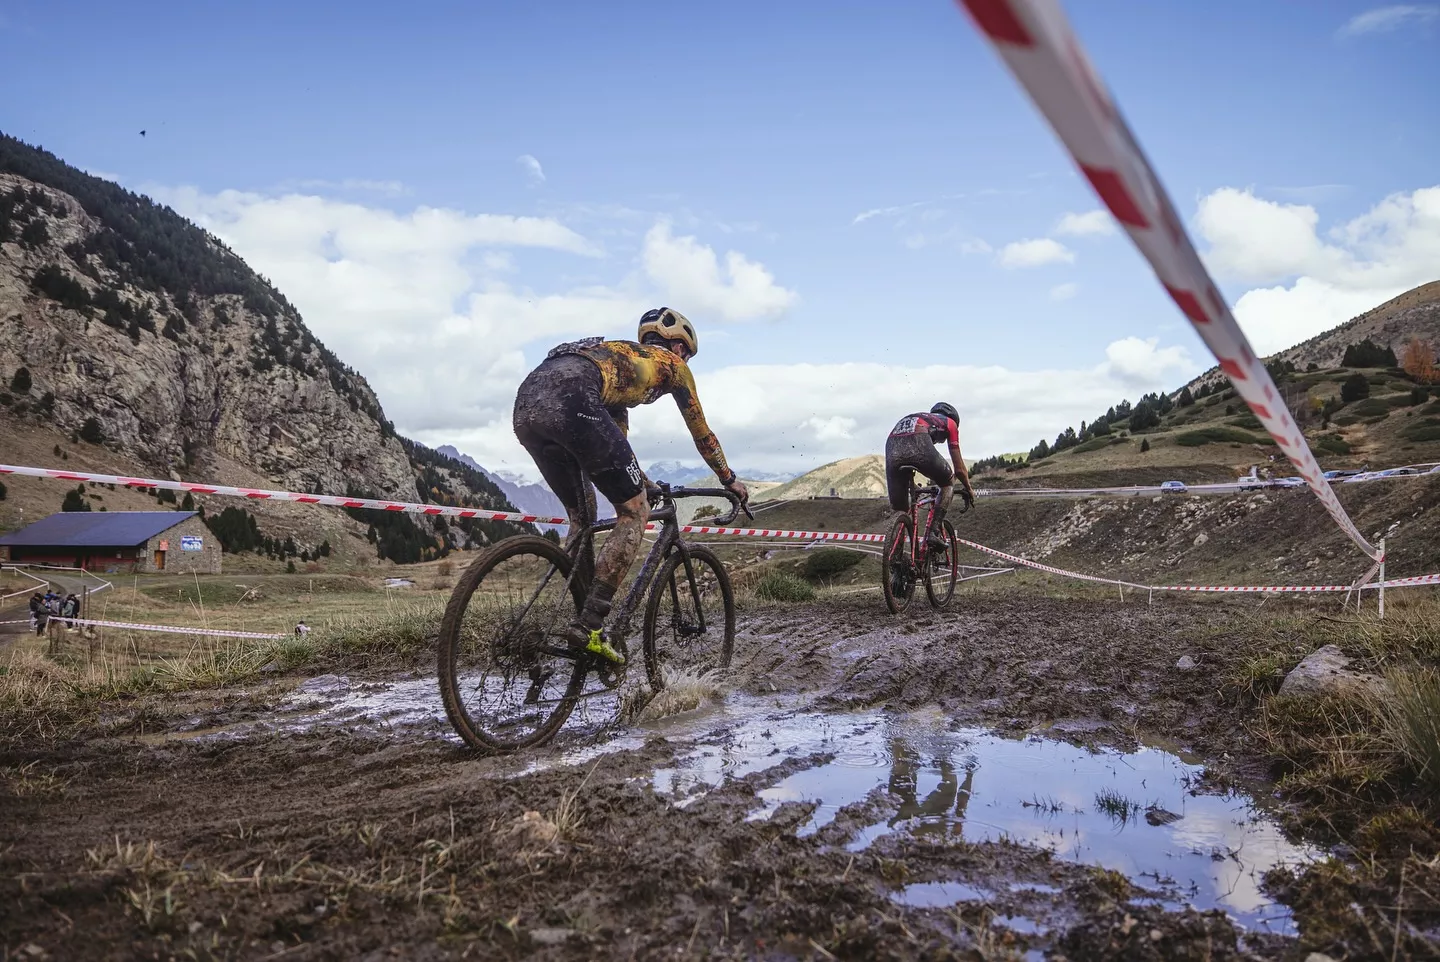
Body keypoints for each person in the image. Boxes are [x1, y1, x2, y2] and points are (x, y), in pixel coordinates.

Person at [513, 307, 748, 663]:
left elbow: (612, 448)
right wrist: (729, 479)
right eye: (688, 354)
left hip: (530, 401)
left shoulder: (619, 361)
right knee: (635, 511)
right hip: (576, 397)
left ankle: (577, 616)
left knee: (582, 516)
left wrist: (643, 480)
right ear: (680, 347)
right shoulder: (673, 366)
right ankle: (590, 625)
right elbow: (703, 435)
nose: (686, 361)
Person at [884, 402, 975, 554]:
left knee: (900, 509)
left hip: (892, 445)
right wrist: (969, 489)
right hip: (918, 440)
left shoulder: (919, 417)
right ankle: (933, 533)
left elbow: (906, 448)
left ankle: (896, 562)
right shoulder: (950, 423)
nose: (941, 442)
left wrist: (911, 486)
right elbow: (959, 469)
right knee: (947, 483)